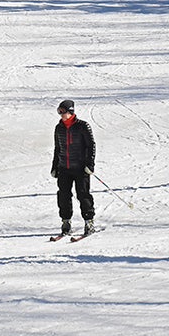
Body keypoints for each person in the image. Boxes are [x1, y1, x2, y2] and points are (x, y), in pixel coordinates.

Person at [51, 99, 96, 236]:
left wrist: (90, 165)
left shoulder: (83, 126)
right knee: (63, 196)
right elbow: (57, 148)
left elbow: (91, 146)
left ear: (71, 111)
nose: (61, 115)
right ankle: (66, 221)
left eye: (63, 112)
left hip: (80, 168)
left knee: (83, 195)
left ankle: (89, 221)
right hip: (64, 167)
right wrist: (55, 166)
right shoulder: (59, 128)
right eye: (59, 112)